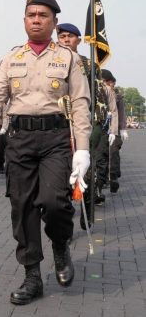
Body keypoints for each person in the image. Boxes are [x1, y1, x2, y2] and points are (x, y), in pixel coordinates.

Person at [0, 0, 92, 305]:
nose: (37, 20)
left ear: (53, 22)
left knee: (56, 202)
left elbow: (80, 104)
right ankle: (32, 276)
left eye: (43, 15)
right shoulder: (12, 58)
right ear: (25, 20)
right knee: (22, 208)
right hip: (20, 140)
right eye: (31, 15)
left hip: (55, 140)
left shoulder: (69, 58)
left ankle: (61, 247)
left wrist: (83, 150)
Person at [57, 23, 117, 231]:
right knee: (60, 172)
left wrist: (96, 124)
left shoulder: (90, 65)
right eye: (62, 36)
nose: (66, 39)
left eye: (71, 37)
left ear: (78, 41)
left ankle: (87, 208)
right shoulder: (52, 61)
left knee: (86, 170)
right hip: (58, 125)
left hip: (85, 124)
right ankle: (65, 215)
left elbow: (99, 97)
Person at [102, 70, 127, 193]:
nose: (110, 85)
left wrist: (123, 129)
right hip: (100, 128)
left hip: (114, 127)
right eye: (108, 82)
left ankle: (114, 178)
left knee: (114, 152)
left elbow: (121, 112)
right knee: (102, 155)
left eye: (111, 82)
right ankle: (103, 178)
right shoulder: (96, 91)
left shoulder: (117, 94)